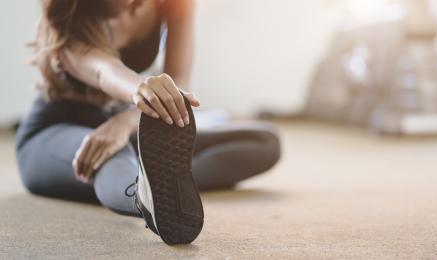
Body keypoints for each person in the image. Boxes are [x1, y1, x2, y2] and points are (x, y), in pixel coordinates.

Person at [15, 0, 281, 244]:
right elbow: (104, 71)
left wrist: (125, 122)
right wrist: (140, 90)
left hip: (123, 122)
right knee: (111, 153)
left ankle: (162, 181)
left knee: (264, 141)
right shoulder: (66, 15)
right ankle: (143, 195)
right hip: (54, 131)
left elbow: (179, 80)